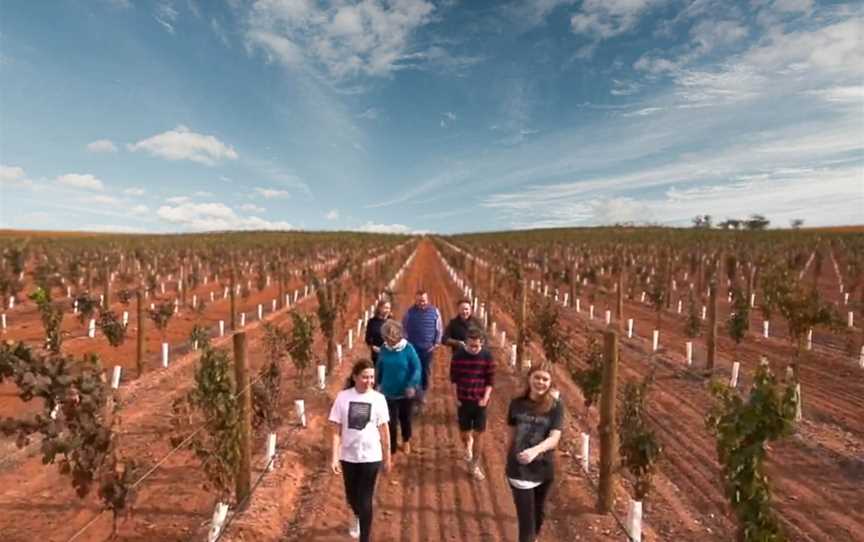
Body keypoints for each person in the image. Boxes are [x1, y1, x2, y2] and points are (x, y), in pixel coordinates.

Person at [329, 359, 392, 541]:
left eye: (372, 377)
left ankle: (365, 537)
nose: (369, 381)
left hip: (371, 456)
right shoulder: (343, 397)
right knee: (352, 496)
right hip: (348, 455)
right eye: (365, 377)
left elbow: (384, 431)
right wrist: (334, 457)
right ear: (355, 377)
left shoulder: (378, 399)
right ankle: (356, 515)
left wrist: (387, 457)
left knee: (365, 498)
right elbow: (335, 429)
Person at [506, 363, 564, 542]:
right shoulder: (516, 404)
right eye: (537, 377)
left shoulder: (555, 406)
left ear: (551, 382)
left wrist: (535, 451)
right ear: (529, 378)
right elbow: (511, 433)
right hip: (519, 470)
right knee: (527, 526)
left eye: (545, 379)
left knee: (538, 514)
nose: (540, 382)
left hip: (543, 469)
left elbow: (555, 438)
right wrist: (511, 458)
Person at [449, 326, 495, 481]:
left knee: (479, 434)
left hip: (480, 401)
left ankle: (475, 465)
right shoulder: (458, 356)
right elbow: (454, 379)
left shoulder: (487, 356)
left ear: (481, 343)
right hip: (463, 400)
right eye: (471, 345)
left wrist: (486, 397)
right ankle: (467, 444)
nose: (474, 349)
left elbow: (490, 380)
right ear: (466, 343)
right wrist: (455, 397)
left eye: (477, 345)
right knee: (465, 433)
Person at [376, 320, 421, 457]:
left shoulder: (408, 349)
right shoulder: (384, 349)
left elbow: (417, 368)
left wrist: (412, 384)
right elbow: (380, 367)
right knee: (390, 422)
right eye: (387, 339)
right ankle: (393, 449)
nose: (389, 341)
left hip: (405, 392)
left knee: (405, 418)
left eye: (391, 339)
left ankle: (406, 440)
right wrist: (377, 383)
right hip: (388, 391)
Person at [401, 289, 442, 407]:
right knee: (413, 370)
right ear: (415, 300)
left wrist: (435, 344)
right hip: (413, 349)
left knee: (425, 370)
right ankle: (413, 392)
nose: (421, 303)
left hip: (427, 349)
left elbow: (439, 328)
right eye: (419, 301)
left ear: (427, 300)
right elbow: (403, 328)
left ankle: (423, 393)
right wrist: (406, 344)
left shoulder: (435, 312)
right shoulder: (409, 312)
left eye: (423, 300)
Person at [365, 299, 391, 365]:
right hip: (377, 355)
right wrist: (373, 347)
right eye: (385, 308)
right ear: (379, 308)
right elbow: (368, 338)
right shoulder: (372, 322)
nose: (387, 310)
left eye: (388, 308)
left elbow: (397, 339)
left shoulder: (391, 322)